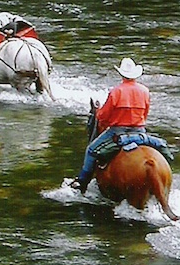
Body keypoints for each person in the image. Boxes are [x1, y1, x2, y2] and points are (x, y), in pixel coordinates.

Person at [71, 57, 172, 194]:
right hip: (140, 131)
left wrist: (103, 117)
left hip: (118, 132)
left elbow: (103, 116)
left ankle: (82, 182)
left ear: (121, 74)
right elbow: (145, 113)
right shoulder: (145, 91)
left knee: (91, 150)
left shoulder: (116, 91)